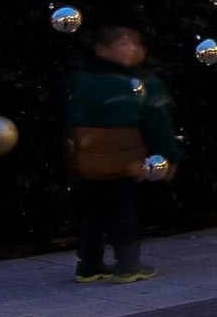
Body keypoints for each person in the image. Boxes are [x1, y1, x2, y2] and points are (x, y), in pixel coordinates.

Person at [64, 22, 178, 284]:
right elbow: (157, 124)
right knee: (124, 211)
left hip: (89, 162)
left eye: (135, 43)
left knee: (92, 213)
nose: (132, 48)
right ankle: (128, 264)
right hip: (126, 160)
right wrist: (169, 156)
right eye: (124, 43)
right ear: (102, 49)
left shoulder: (83, 80)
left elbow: (73, 118)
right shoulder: (144, 84)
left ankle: (89, 265)